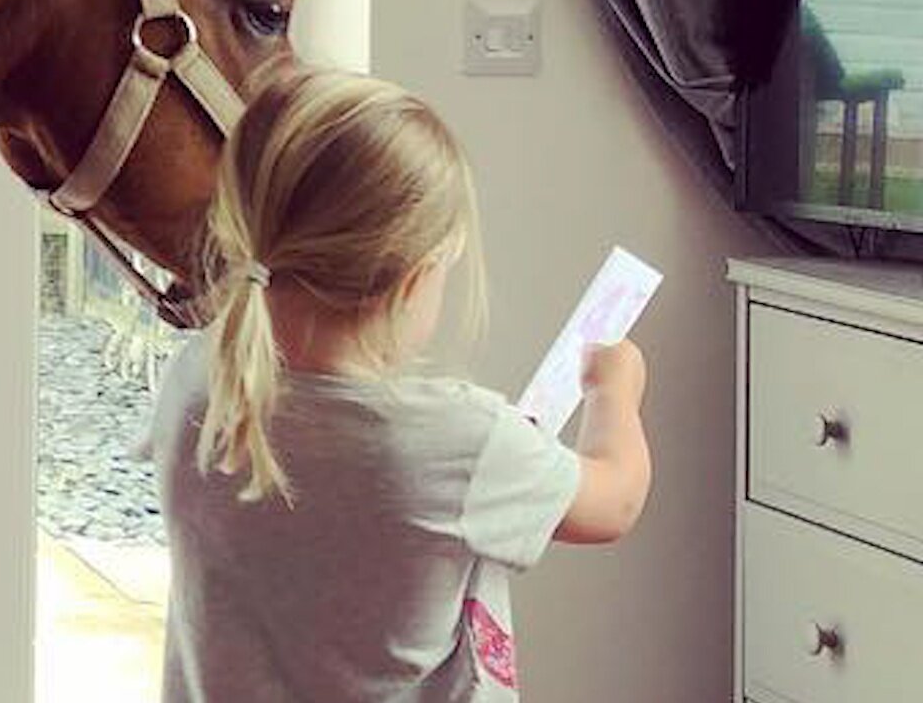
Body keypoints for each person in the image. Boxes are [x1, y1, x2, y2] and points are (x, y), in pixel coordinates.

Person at [151, 67, 652, 702]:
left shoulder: (196, 383)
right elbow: (616, 502)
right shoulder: (462, 442)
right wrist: (615, 390)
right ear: (413, 278)